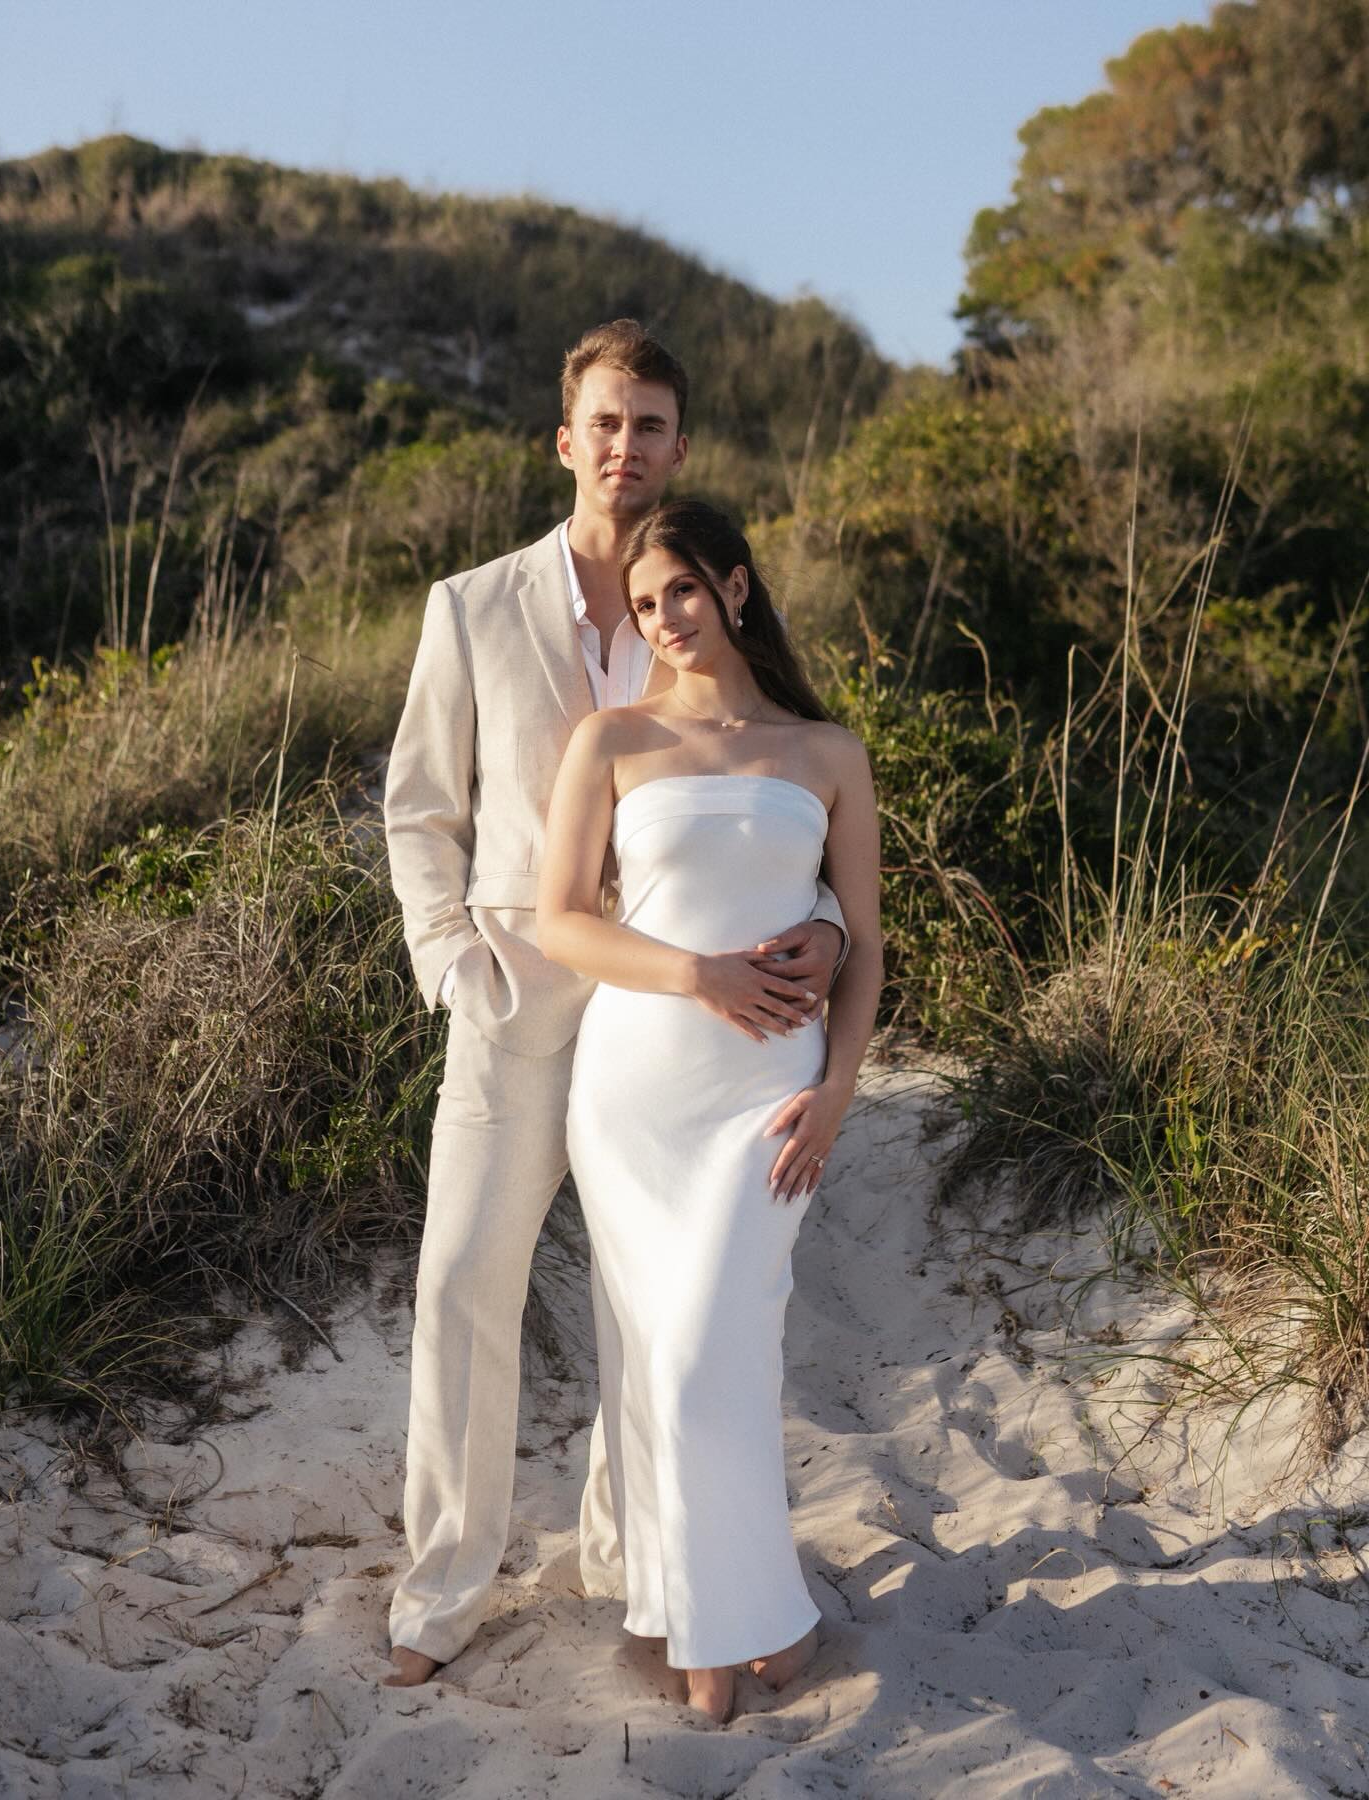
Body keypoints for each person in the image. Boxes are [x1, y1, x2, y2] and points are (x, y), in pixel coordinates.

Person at [380, 322, 850, 1687]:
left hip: (681, 1025)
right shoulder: (471, 606)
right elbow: (419, 807)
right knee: (467, 1278)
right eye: (605, 422)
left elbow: (747, 805)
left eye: (650, 425)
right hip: (523, 993)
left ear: (677, 447)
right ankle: (441, 1595)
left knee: (656, 1303)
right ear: (564, 436)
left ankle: (631, 1558)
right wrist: (450, 958)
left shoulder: (689, 597)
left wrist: (816, 922)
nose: (625, 447)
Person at [536, 498, 883, 1724]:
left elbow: (868, 950)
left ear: (735, 589)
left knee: (706, 1355)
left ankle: (731, 1624)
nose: (667, 619)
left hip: (767, 1097)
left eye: (684, 590)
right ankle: (725, 1623)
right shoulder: (612, 740)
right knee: (679, 1365)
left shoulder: (827, 751)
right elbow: (560, 916)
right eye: (643, 605)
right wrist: (697, 972)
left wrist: (836, 1090)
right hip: (637, 1092)